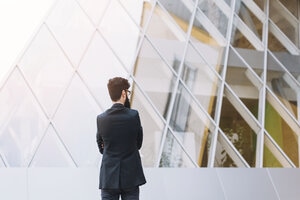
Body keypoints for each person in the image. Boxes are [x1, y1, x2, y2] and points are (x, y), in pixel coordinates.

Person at [96, 77, 146, 200]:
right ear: (123, 93)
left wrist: (109, 149)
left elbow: (101, 146)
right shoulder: (133, 115)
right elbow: (138, 143)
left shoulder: (101, 118)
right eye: (127, 92)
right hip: (131, 177)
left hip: (109, 177)